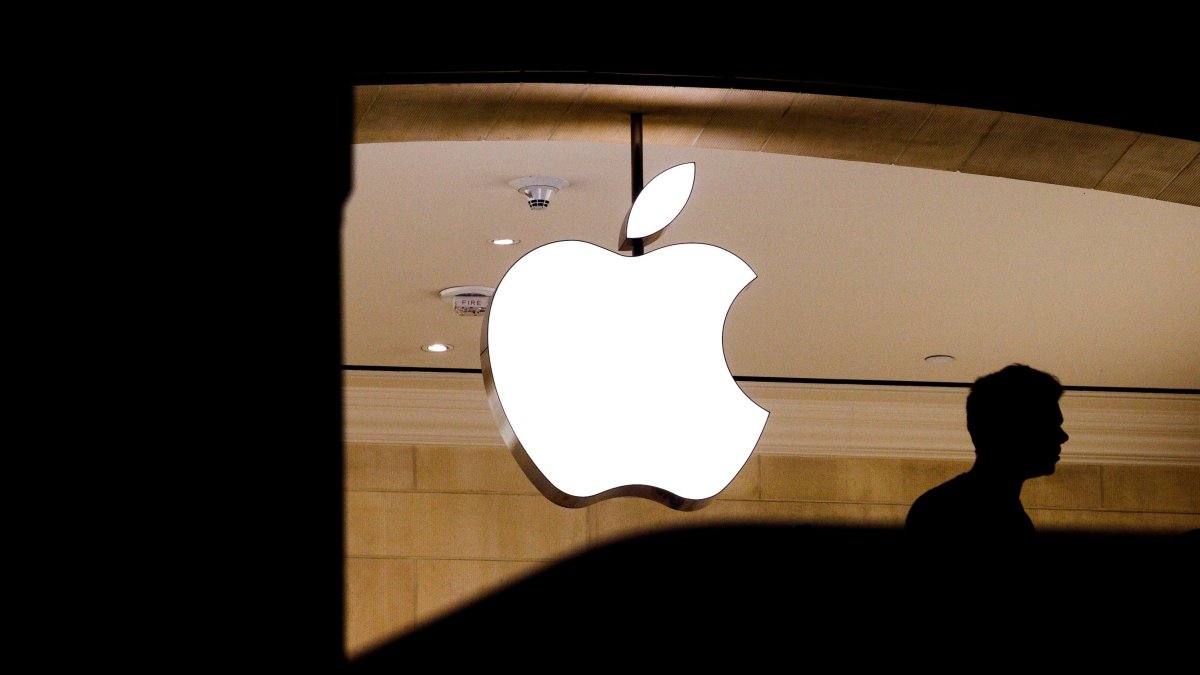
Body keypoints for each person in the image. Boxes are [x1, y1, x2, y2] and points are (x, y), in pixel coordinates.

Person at [905, 363, 1069, 538]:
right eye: (1049, 426)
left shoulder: (940, 505)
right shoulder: (942, 508)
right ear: (1012, 431)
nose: (1063, 437)